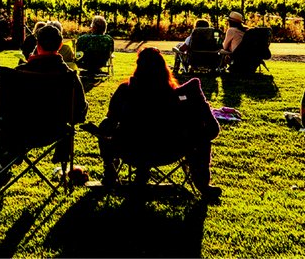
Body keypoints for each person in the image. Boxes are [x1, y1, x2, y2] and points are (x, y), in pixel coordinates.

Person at [93, 47, 222, 199]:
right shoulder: (177, 97)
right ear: (163, 69)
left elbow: (111, 120)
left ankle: (111, 172)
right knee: (200, 138)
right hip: (170, 150)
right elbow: (211, 130)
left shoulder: (125, 91)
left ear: (138, 67)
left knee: (104, 125)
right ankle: (203, 184)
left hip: (131, 150)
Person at [16, 22, 88, 163]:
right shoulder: (69, 76)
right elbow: (79, 112)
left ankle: (7, 158)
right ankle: (61, 162)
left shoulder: (18, 73)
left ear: (37, 45)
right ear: (60, 45)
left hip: (18, 130)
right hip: (54, 132)